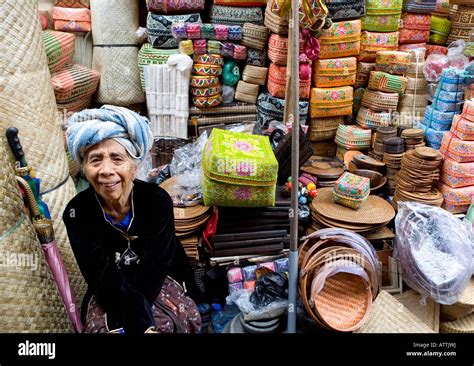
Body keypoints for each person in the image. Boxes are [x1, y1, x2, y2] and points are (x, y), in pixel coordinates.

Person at [63, 105, 201, 334]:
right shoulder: (77, 213)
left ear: (134, 167)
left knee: (168, 323)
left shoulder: (156, 201)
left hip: (159, 277)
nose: (106, 170)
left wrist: (141, 322)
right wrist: (140, 323)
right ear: (85, 169)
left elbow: (156, 265)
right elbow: (100, 273)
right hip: (109, 286)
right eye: (95, 160)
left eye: (117, 158)